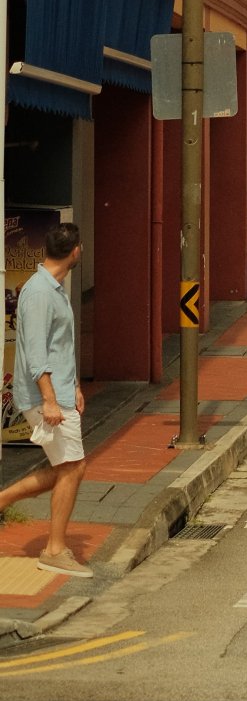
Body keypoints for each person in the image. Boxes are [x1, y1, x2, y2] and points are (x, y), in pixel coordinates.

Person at [0, 223, 91, 578]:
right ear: (75, 251)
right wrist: (50, 400)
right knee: (72, 467)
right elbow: (38, 355)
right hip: (46, 396)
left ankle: (3, 501)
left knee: (68, 466)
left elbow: (60, 347)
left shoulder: (54, 287)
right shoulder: (40, 292)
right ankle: (54, 550)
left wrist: (76, 385)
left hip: (60, 391)